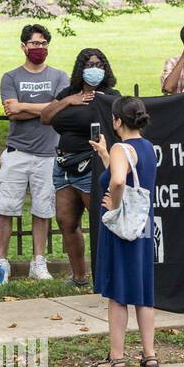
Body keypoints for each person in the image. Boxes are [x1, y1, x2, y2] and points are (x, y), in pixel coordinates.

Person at [87, 97, 158, 367]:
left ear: (117, 121)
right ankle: (149, 354)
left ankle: (116, 356)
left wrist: (114, 207)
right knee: (143, 291)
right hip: (141, 226)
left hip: (121, 228)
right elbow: (129, 174)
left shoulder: (122, 148)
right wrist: (106, 155)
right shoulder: (147, 148)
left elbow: (118, 180)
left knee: (118, 292)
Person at [41, 48, 120, 286]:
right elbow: (45, 117)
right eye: (89, 65)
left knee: (101, 221)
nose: (94, 69)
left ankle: (107, 276)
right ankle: (79, 277)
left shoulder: (109, 96)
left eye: (99, 64)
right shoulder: (68, 93)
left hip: (91, 165)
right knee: (65, 220)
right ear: (80, 69)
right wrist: (68, 101)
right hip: (64, 165)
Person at [0, 24, 69, 277]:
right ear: (24, 46)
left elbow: (61, 109)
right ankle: (0, 261)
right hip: (18, 152)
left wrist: (24, 107)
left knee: (43, 209)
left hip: (48, 153)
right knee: (5, 208)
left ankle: (38, 262)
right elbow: (11, 112)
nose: (39, 48)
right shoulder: (11, 77)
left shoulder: (59, 76)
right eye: (35, 44)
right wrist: (48, 107)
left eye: (44, 43)